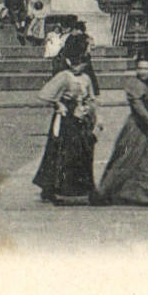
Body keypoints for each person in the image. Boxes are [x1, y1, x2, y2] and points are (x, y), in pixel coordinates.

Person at [93, 59, 148, 208]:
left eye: (146, 69)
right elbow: (139, 109)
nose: (143, 72)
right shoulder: (134, 86)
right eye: (140, 68)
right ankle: (115, 191)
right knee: (127, 160)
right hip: (137, 128)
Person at [33, 60, 99, 205]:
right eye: (76, 63)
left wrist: (90, 110)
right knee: (62, 151)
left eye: (81, 63)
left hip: (81, 115)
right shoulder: (64, 76)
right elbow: (45, 94)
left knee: (83, 150)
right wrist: (58, 104)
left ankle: (80, 187)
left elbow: (91, 97)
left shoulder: (86, 78)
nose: (78, 66)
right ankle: (55, 187)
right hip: (66, 117)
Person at [56, 19, 101, 96]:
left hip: (74, 60)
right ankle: (92, 91)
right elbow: (91, 47)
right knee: (88, 76)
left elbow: (66, 50)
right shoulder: (84, 37)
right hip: (81, 60)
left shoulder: (72, 37)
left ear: (76, 29)